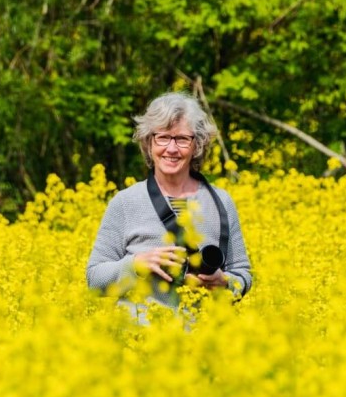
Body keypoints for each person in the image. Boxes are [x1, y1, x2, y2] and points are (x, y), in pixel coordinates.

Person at [86, 92, 252, 321]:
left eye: (182, 139)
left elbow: (243, 274)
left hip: (207, 337)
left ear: (197, 145)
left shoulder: (221, 202)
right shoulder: (125, 202)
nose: (172, 149)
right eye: (163, 138)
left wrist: (224, 282)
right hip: (140, 338)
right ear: (149, 143)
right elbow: (94, 279)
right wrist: (136, 265)